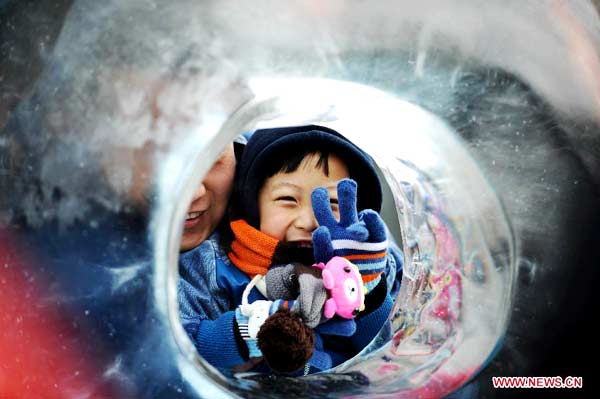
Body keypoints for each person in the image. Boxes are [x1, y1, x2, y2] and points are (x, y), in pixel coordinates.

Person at [178, 124, 403, 375]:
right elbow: (183, 344)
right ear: (254, 207)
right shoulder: (216, 268)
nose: (307, 221)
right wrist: (252, 330)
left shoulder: (376, 263)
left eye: (332, 203)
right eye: (287, 199)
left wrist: (365, 291)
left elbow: (392, 352)